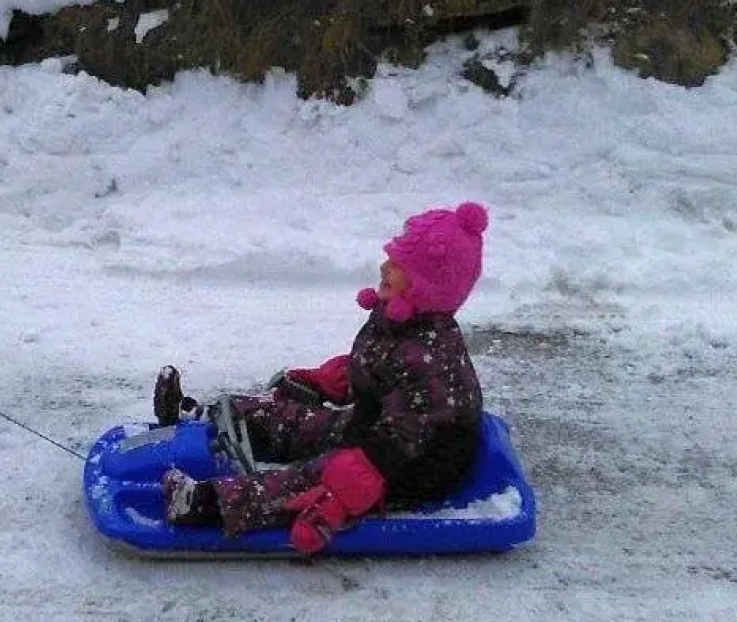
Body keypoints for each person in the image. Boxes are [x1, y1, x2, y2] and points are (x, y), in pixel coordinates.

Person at [153, 202, 489, 553]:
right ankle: (202, 416)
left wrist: (365, 467)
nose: (384, 266)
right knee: (296, 419)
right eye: (390, 258)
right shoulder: (400, 320)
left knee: (314, 477)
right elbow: (380, 368)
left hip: (409, 463)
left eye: (398, 265)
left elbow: (417, 429)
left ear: (426, 286)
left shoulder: (431, 355)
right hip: (377, 427)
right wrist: (333, 379)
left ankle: (205, 503)